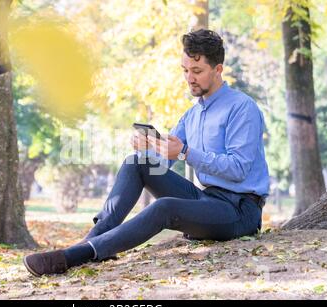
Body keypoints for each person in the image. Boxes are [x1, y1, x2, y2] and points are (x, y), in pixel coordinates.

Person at [23, 29, 270, 277]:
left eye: (197, 72)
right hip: (208, 199)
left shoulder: (241, 108)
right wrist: (151, 148)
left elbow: (238, 169)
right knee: (137, 163)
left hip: (239, 211)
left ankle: (76, 256)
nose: (189, 78)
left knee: (164, 208)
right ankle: (93, 240)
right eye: (185, 70)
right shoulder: (193, 113)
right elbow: (164, 163)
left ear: (218, 70)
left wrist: (185, 152)